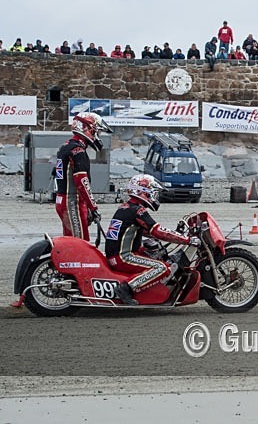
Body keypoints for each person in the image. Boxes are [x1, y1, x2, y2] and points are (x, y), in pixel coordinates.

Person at [105, 174, 200, 305]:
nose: (156, 197)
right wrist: (187, 240)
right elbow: (157, 230)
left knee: (156, 250)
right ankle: (126, 288)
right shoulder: (138, 210)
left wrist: (175, 235)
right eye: (154, 193)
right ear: (144, 192)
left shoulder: (126, 207)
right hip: (123, 256)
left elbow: (147, 231)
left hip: (117, 254)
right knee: (162, 268)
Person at [54, 112, 113, 240]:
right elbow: (82, 182)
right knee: (80, 242)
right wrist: (93, 207)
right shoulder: (78, 150)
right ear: (88, 129)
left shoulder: (65, 147)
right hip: (72, 202)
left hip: (62, 199)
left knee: (71, 239)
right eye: (97, 132)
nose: (98, 136)